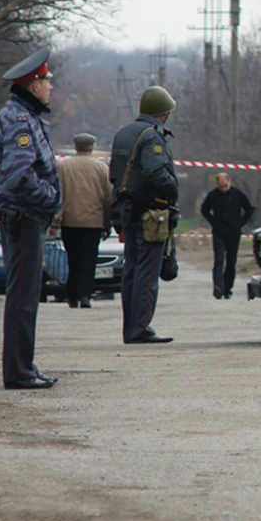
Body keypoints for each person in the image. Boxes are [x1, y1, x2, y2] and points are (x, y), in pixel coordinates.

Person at [0, 48, 62, 390]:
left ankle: (25, 366)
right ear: (33, 85)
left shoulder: (25, 115)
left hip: (27, 216)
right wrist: (50, 198)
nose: (51, 85)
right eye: (47, 80)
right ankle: (18, 371)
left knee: (28, 295)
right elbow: (19, 174)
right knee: (22, 296)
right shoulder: (19, 119)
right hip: (24, 216)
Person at [109, 86, 179, 345]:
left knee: (132, 269)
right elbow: (155, 173)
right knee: (148, 273)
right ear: (164, 113)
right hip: (151, 212)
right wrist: (174, 190)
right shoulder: (152, 136)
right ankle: (141, 328)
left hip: (127, 209)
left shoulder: (122, 133)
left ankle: (131, 328)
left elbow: (114, 175)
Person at [56, 133, 113, 309]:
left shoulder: (63, 166)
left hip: (70, 221)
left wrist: (55, 221)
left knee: (72, 259)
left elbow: (58, 194)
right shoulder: (102, 168)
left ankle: (71, 295)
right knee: (89, 260)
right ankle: (85, 295)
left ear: (75, 147)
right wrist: (107, 223)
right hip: (93, 222)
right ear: (92, 148)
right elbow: (108, 198)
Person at [200, 172, 255, 299]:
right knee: (218, 260)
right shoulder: (213, 195)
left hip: (234, 232)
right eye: (221, 187)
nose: (224, 189)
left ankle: (228, 288)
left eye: (225, 186)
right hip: (219, 232)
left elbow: (250, 209)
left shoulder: (237, 194)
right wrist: (213, 222)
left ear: (229, 182)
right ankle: (218, 287)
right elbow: (204, 210)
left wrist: (241, 222)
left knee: (231, 261)